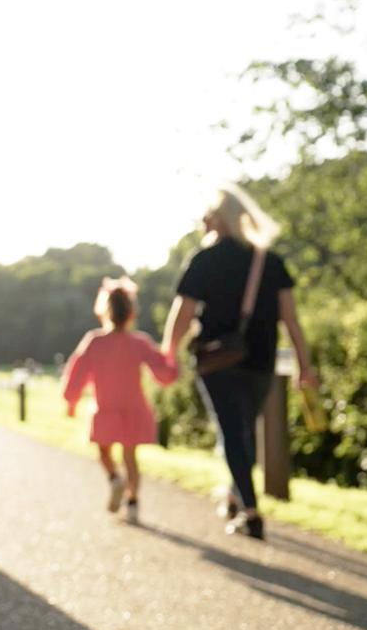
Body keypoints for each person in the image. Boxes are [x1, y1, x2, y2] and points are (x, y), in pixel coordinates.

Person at [162, 185, 317, 540]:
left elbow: (183, 313)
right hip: (261, 361)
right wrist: (303, 365)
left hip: (217, 361)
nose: (202, 221)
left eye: (207, 214)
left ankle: (250, 511)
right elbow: (291, 320)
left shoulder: (205, 260)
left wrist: (169, 353)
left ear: (220, 218)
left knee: (233, 433)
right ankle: (236, 494)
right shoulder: (270, 262)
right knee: (241, 431)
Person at [61, 277, 179, 524]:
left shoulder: (95, 341)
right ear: (131, 313)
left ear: (104, 311)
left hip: (105, 409)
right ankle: (133, 504)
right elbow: (163, 372)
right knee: (130, 457)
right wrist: (172, 357)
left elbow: (77, 373)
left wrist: (71, 400)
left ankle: (115, 479)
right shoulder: (140, 342)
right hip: (134, 410)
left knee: (103, 451)